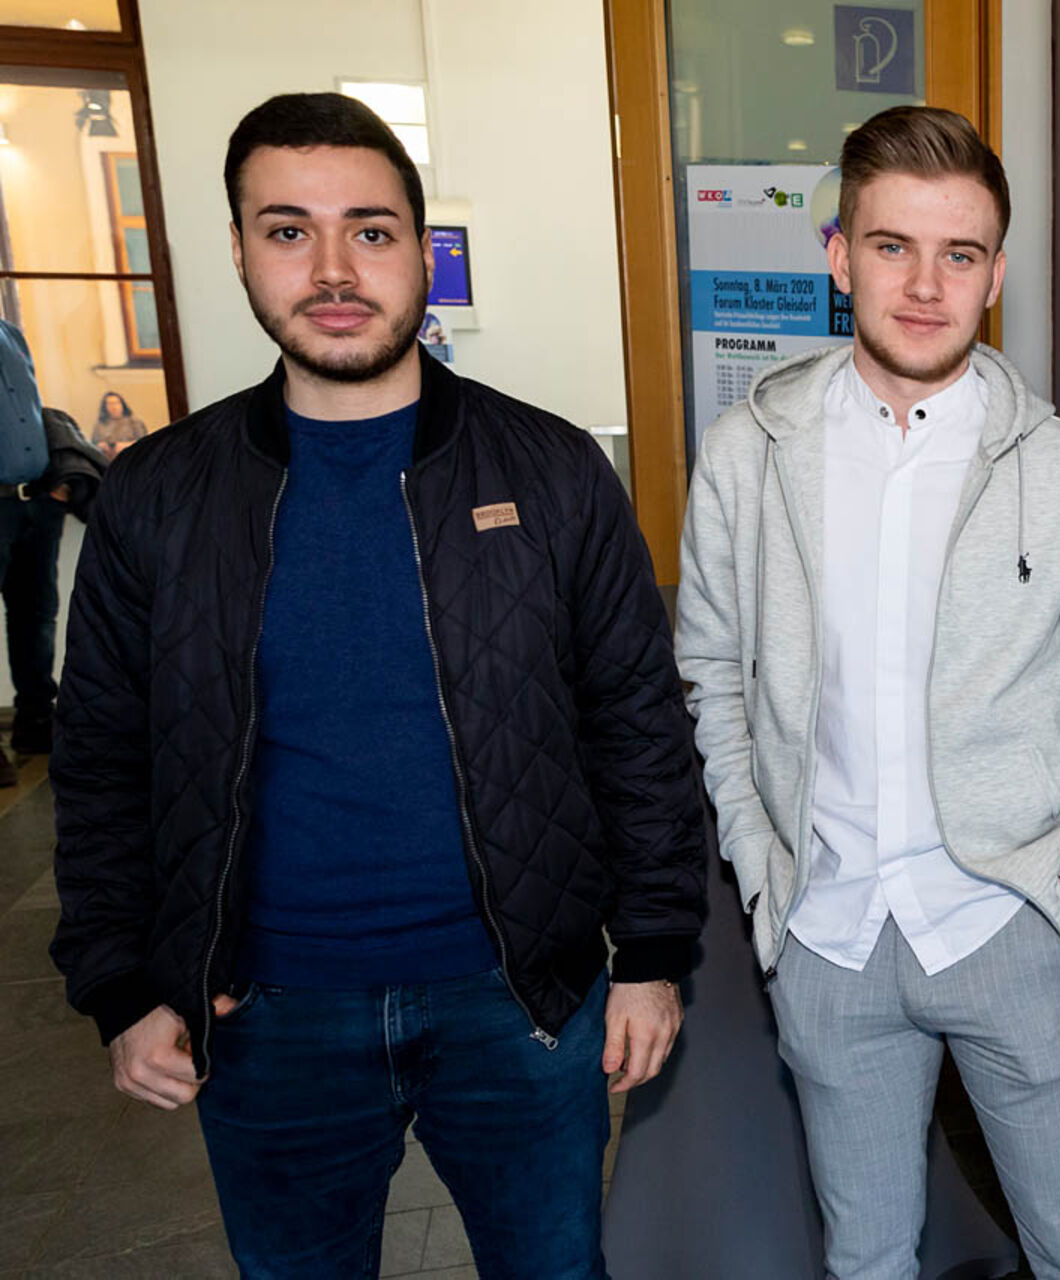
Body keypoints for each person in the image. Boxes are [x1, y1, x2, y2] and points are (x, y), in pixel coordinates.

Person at [48, 92, 707, 1278]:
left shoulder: (552, 471)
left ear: (421, 250)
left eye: (371, 229)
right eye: (288, 230)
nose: (334, 269)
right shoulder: (157, 497)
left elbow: (637, 726)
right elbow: (100, 760)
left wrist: (653, 954)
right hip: (266, 1015)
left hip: (519, 999)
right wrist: (124, 983)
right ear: (239, 249)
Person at [676, 105, 1060, 1280]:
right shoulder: (748, 453)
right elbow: (710, 671)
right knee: (867, 1255)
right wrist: (761, 864)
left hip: (1012, 920)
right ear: (839, 256)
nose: (925, 285)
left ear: (995, 274)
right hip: (829, 931)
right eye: (892, 246)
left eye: (959, 253)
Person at [0, 318, 58, 777]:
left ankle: (36, 722)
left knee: (36, 617)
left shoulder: (11, 334)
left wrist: (55, 489)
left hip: (33, 503)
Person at [91, 389, 149, 461]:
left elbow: (144, 443)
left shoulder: (134, 422)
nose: (113, 407)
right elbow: (93, 444)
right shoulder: (99, 424)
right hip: (108, 461)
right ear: (105, 407)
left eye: (116, 403)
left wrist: (126, 445)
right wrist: (101, 446)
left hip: (130, 459)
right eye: (110, 404)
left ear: (122, 404)